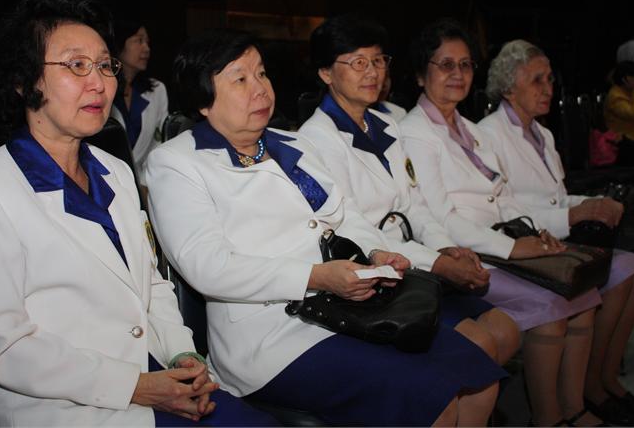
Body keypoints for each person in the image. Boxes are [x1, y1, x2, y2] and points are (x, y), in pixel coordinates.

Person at [0, 0, 276, 427]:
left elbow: (152, 283)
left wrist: (182, 354)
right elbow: (2, 347)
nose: (99, 82)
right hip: (57, 407)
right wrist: (138, 387)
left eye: (105, 65)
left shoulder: (116, 172)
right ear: (25, 82)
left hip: (148, 371)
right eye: (76, 65)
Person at [146, 28, 506, 426]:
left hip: (350, 306)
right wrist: (316, 276)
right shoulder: (177, 163)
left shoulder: (292, 144)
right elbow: (208, 266)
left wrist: (376, 252)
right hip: (271, 333)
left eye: (262, 73)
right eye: (240, 79)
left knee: (478, 376)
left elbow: (345, 214)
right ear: (202, 98)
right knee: (431, 397)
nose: (261, 89)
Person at [399, 19, 605, 427]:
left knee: (584, 296)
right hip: (472, 254)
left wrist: (531, 232)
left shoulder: (470, 130)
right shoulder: (414, 134)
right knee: (553, 307)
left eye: (465, 65)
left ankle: (572, 406)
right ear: (421, 74)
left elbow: (502, 195)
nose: (458, 74)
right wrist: (514, 248)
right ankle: (548, 417)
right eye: (445, 65)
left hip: (503, 242)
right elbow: (440, 217)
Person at [299, 14, 520, 366]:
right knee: (480, 344)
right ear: (326, 73)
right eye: (358, 63)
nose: (373, 72)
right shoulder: (315, 140)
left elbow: (414, 205)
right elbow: (354, 230)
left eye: (378, 61)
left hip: (417, 263)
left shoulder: (385, 124)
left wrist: (445, 248)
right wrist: (439, 264)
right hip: (376, 274)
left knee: (506, 331)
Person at [479, 39, 634, 425]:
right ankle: (582, 393)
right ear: (508, 87)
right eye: (537, 80)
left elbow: (556, 196)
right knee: (611, 278)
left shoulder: (542, 134)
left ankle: (602, 380)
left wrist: (593, 202)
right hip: (524, 243)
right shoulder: (488, 135)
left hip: (558, 237)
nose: (548, 88)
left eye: (549, 79)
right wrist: (574, 214)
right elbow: (503, 208)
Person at [111, 19, 169, 194]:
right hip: (108, 183)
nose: (146, 48)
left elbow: (159, 145)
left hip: (145, 185)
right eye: (139, 40)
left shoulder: (156, 90)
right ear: (120, 44)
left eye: (147, 42)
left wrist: (144, 184)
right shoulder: (103, 90)